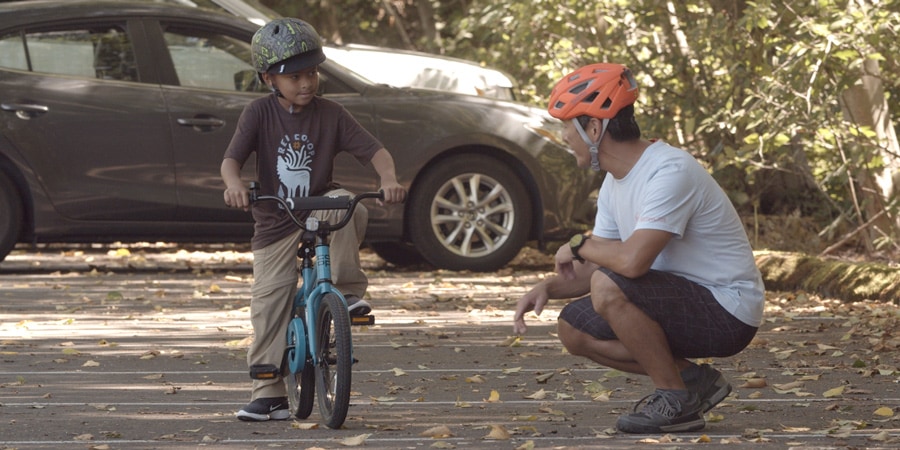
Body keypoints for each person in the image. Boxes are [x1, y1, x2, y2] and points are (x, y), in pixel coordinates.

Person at [512, 63, 765, 434]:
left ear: (594, 127)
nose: (565, 136)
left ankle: (676, 401)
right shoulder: (615, 183)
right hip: (676, 298)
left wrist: (580, 243)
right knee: (573, 328)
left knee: (609, 286)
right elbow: (602, 264)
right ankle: (692, 381)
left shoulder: (669, 171)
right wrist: (548, 288)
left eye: (568, 125)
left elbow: (630, 263)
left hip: (726, 309)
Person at [221, 18, 406, 422]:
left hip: (318, 210)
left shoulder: (332, 114)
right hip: (275, 220)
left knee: (347, 203)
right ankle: (269, 392)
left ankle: (346, 292)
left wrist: (388, 179)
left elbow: (376, 152)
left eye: (312, 73)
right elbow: (231, 160)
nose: (306, 83)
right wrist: (234, 184)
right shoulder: (258, 114)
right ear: (269, 78)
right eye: (295, 77)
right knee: (269, 301)